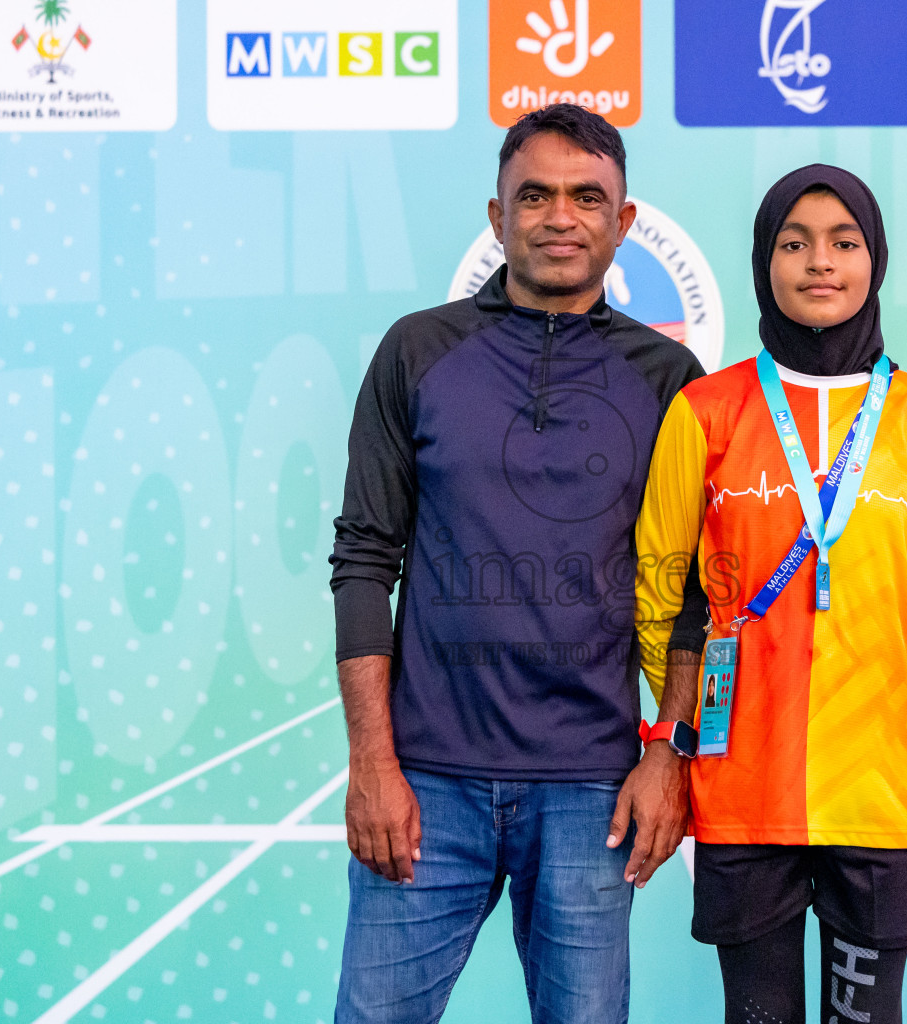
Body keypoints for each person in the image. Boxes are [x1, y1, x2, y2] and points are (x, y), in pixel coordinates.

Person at [330, 104, 710, 1024]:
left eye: (588, 197)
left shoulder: (670, 380)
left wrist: (672, 757)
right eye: (533, 195)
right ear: (497, 218)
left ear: (623, 223)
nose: (559, 217)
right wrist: (372, 763)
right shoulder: (418, 351)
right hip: (426, 781)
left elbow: (696, 595)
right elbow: (363, 562)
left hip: (590, 788)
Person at [634, 164, 907, 1024]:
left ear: (875, 261)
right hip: (742, 788)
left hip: (879, 793)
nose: (818, 263)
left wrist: (872, 694)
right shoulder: (704, 411)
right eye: (794, 243)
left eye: (843, 242)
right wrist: (698, 722)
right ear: (764, 261)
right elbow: (656, 585)